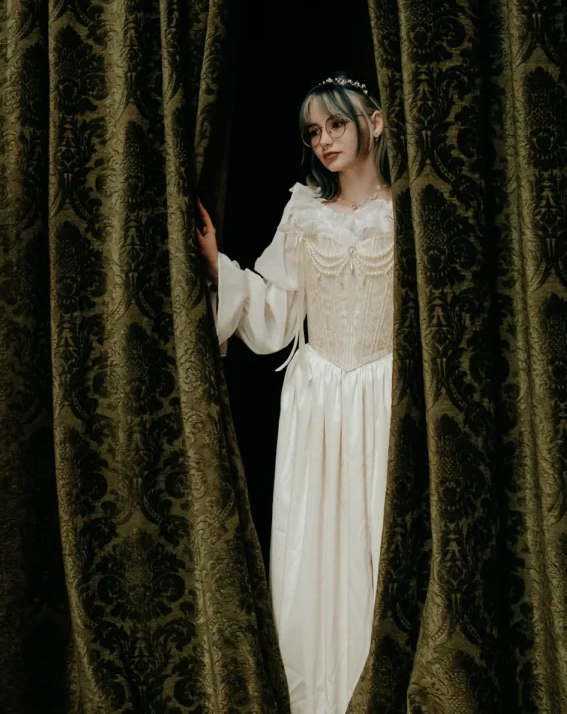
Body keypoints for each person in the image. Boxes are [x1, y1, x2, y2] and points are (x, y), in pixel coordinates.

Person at [197, 74, 393, 714]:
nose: (325, 139)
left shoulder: (406, 211)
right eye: (314, 131)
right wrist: (217, 265)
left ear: (374, 123)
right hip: (319, 403)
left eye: (337, 124)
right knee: (318, 548)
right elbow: (276, 312)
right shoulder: (304, 213)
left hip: (385, 393)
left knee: (381, 538)